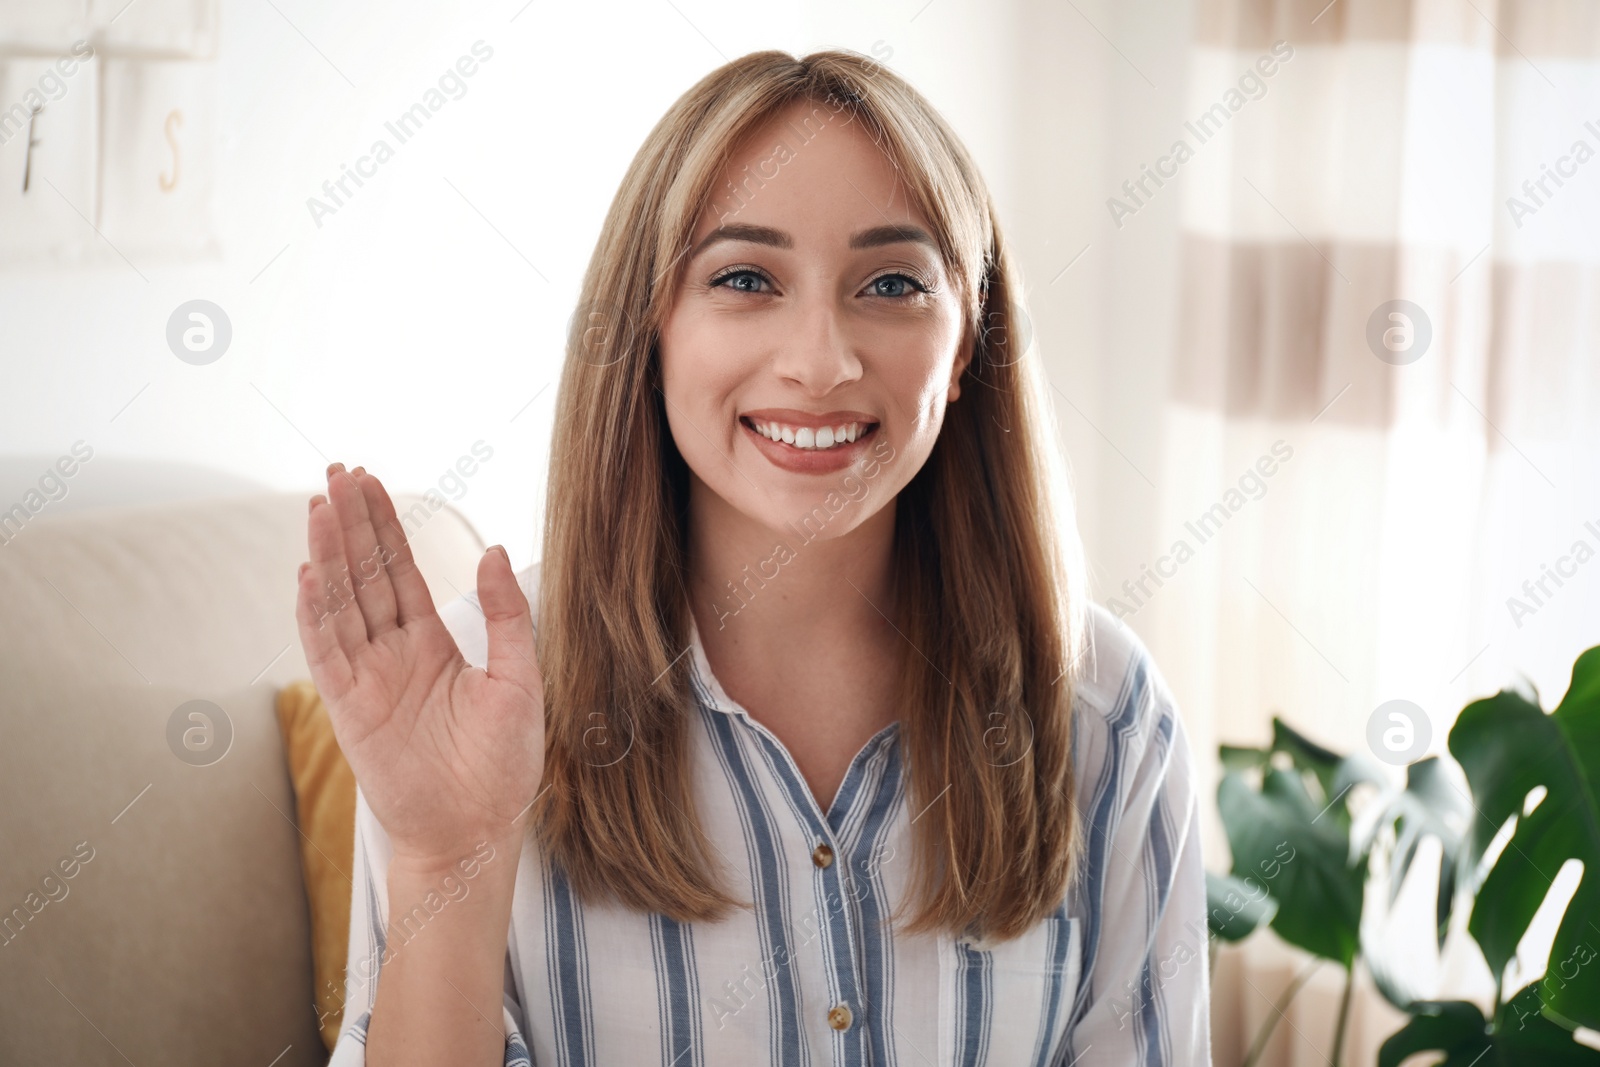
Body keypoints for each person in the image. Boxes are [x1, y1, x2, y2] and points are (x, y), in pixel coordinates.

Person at [300, 48, 1210, 1067]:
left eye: (891, 282)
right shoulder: (481, 694)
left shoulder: (1104, 708)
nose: (819, 360)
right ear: (649, 329)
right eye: (744, 278)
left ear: (962, 348)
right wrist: (446, 860)